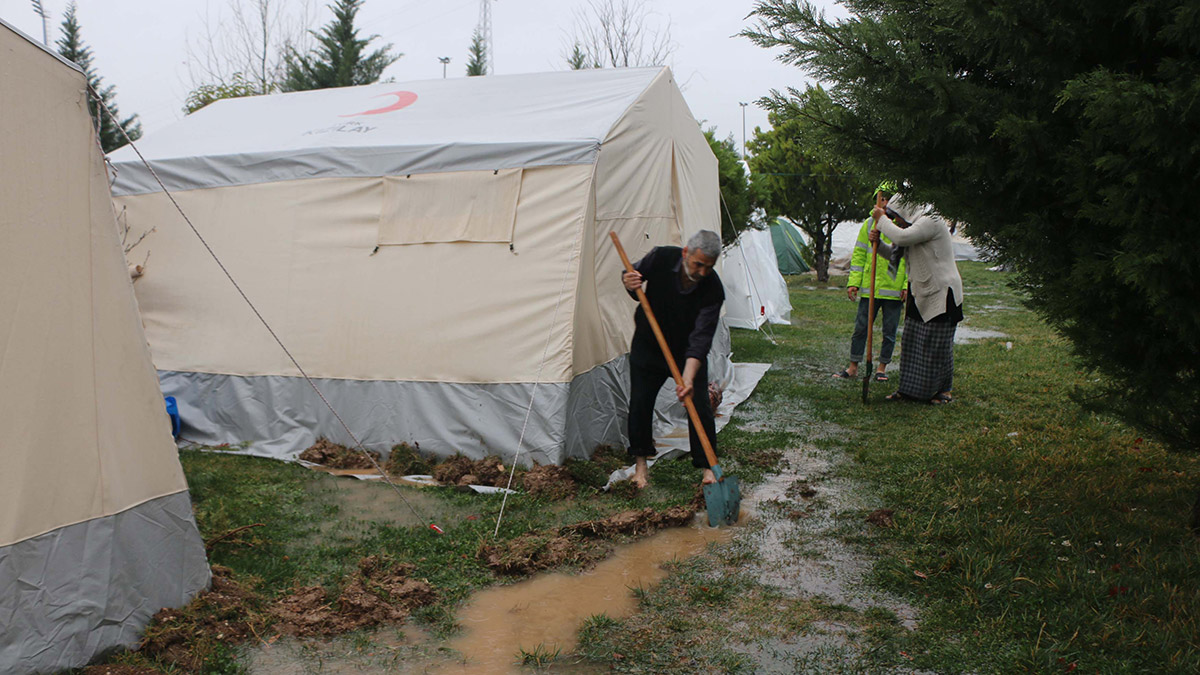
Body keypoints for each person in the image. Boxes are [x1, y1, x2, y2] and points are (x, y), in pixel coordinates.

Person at [622, 230, 725, 488]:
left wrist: (688, 378)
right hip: (649, 346)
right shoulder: (661, 257)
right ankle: (641, 466)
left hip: (685, 353)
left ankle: (708, 470)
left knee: (699, 405)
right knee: (641, 404)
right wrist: (629, 283)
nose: (702, 272)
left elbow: (701, 339)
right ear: (685, 253)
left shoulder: (713, 290)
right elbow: (632, 275)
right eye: (697, 264)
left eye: (708, 268)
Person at [869, 194, 964, 404]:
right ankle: (909, 390)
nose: (896, 222)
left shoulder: (931, 220)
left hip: (942, 293)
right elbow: (897, 253)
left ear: (906, 211)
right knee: (912, 342)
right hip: (920, 290)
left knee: (936, 346)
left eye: (896, 217)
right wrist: (878, 243)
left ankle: (942, 391)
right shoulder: (913, 228)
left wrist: (881, 219)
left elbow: (902, 238)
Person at [833, 190, 908, 382]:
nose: (884, 202)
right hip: (870, 288)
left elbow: (910, 258)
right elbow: (859, 254)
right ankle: (853, 366)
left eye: (888, 199)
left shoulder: (901, 225)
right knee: (860, 329)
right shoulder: (868, 225)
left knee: (889, 332)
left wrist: (906, 285)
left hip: (893, 289)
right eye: (882, 198)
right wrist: (854, 283)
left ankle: (882, 368)